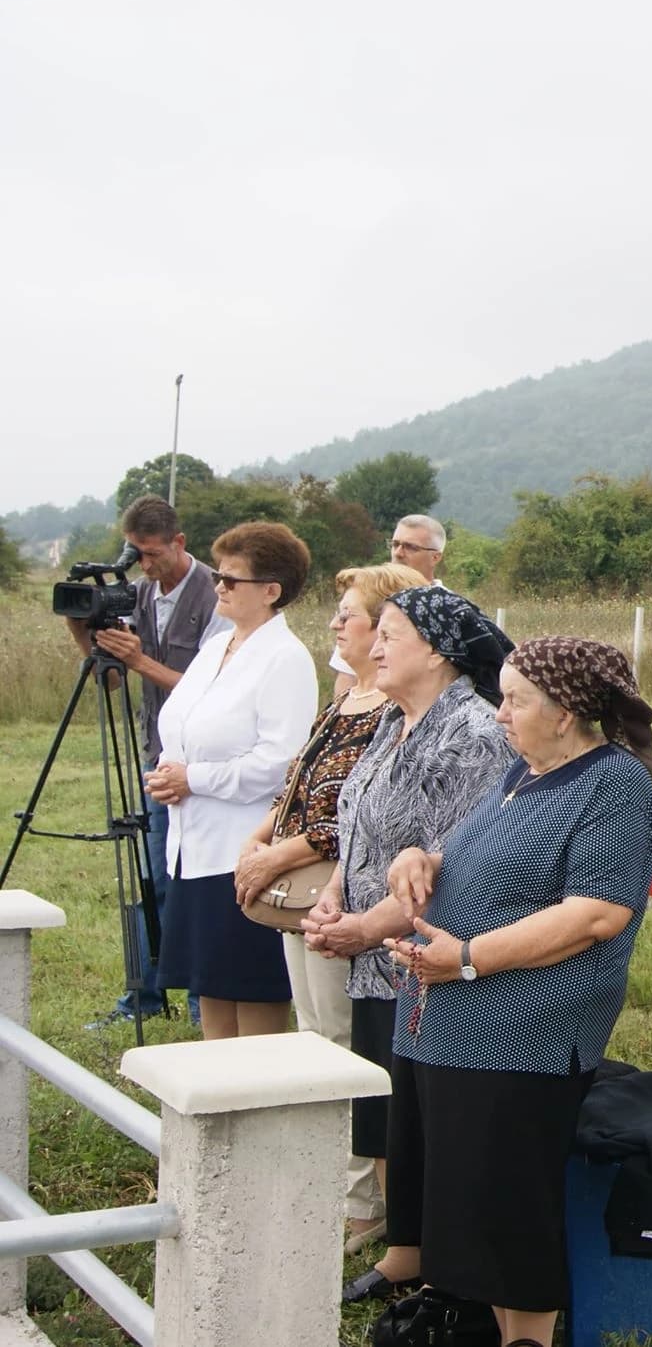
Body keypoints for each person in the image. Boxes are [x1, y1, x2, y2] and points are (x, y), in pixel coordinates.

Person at [379, 636, 652, 1347]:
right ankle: (479, 1320)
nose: (500, 714)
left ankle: (529, 1338)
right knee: (464, 1201)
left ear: (566, 712)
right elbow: (479, 858)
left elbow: (597, 912)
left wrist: (468, 957)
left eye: (516, 700)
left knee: (506, 1208)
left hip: (522, 1034)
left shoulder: (615, 786)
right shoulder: (523, 773)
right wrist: (419, 858)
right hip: (447, 1021)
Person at [307, 584, 517, 1303]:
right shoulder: (393, 719)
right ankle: (405, 1249)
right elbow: (359, 820)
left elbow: (453, 857)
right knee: (391, 1105)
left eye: (390, 634)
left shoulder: (475, 732)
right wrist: (335, 893)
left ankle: (441, 1260)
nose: (373, 647)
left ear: (435, 650)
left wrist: (367, 928)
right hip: (374, 953)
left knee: (427, 1110)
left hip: (426, 953)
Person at [234, 559, 427, 1249]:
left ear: (388, 626)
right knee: (314, 1034)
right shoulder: (344, 699)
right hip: (303, 897)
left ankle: (362, 1198)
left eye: (347, 614)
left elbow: (349, 819)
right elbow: (299, 785)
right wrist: (259, 841)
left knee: (344, 1042)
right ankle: (331, 1180)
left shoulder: (392, 714)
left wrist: (274, 856)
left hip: (340, 894)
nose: (336, 625)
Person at [148, 521, 319, 1040]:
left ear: (270, 591)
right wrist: (168, 773)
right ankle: (216, 1104)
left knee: (252, 991)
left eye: (231, 579)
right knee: (211, 989)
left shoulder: (285, 658)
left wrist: (193, 778)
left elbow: (281, 763)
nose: (217, 586)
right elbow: (180, 723)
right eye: (218, 575)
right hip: (193, 845)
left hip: (242, 849)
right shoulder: (217, 647)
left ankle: (254, 1107)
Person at [68, 495, 227, 1028]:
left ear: (179, 543)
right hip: (158, 758)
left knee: (199, 881)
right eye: (136, 553)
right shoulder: (134, 594)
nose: (146, 564)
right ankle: (142, 997)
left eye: (153, 553)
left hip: (207, 765)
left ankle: (205, 998)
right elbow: (112, 681)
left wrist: (140, 659)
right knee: (149, 876)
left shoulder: (217, 596)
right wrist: (83, 627)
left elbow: (214, 691)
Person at [332, 515, 448, 696]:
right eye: (395, 544)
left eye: (411, 547)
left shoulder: (447, 611)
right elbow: (347, 675)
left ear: (435, 557)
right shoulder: (368, 596)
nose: (399, 553)